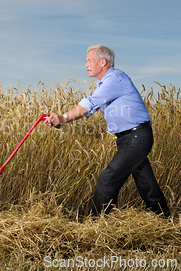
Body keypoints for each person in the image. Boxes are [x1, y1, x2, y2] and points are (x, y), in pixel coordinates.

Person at [44, 45, 170, 217]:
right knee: (144, 179)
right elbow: (89, 109)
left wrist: (62, 118)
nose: (86, 65)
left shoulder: (115, 79)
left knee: (107, 180)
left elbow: (89, 103)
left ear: (102, 62)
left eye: (89, 60)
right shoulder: (104, 83)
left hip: (136, 136)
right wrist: (60, 120)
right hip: (129, 138)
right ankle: (161, 215)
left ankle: (97, 224)